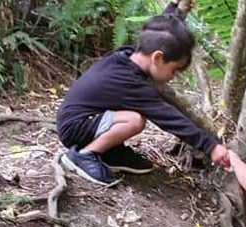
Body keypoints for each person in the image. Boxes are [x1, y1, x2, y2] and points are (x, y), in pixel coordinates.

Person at [56, 1, 229, 184]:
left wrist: (175, 8)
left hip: (83, 119)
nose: (173, 77)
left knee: (133, 117)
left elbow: (161, 32)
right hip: (75, 127)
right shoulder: (132, 84)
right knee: (134, 120)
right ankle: (85, 155)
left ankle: (110, 152)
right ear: (158, 58)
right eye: (174, 70)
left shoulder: (130, 56)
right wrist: (211, 147)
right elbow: (170, 119)